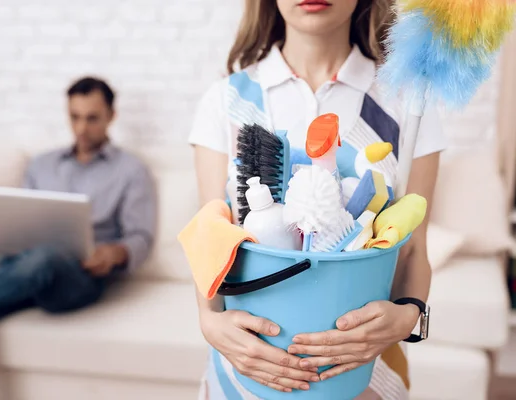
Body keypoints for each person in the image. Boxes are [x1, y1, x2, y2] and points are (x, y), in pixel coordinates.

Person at [188, 1, 446, 399]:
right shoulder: (224, 101)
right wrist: (209, 321)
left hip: (364, 375)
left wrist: (408, 315)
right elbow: (212, 239)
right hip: (244, 375)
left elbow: (412, 252)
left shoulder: (409, 104)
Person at [0, 76, 157, 400]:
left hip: (77, 277)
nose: (81, 128)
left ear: (111, 116)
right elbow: (21, 216)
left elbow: (141, 237)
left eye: (91, 118)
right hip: (21, 270)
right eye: (74, 117)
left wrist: (113, 253)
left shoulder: (130, 170)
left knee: (46, 257)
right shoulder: (42, 164)